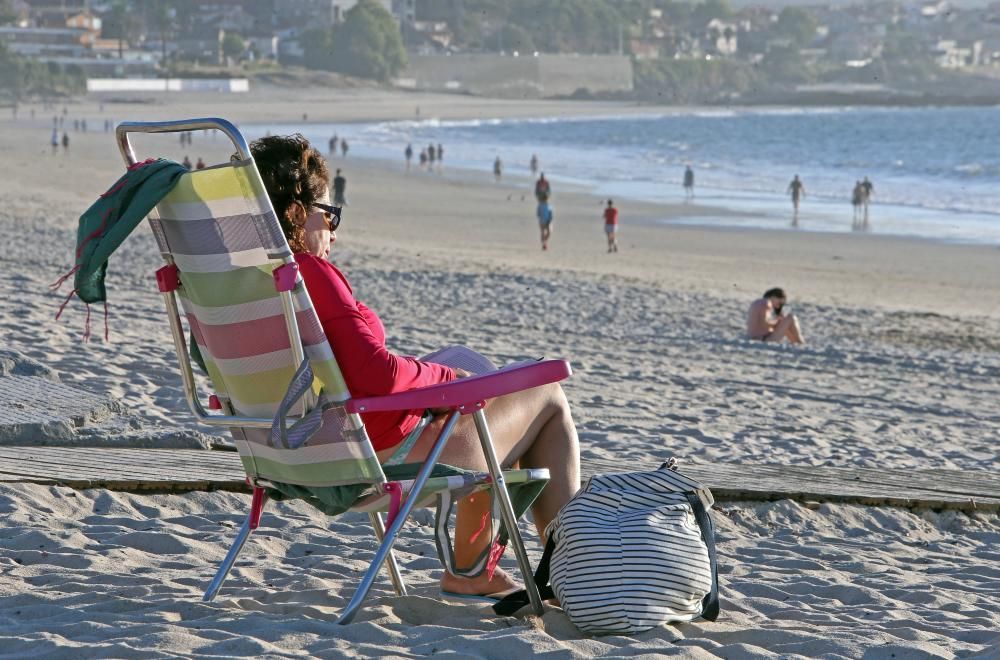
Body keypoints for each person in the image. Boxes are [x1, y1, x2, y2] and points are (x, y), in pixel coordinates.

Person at [249, 134, 581, 598]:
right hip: (377, 452)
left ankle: (473, 567)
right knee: (547, 395)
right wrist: (446, 382)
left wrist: (442, 375)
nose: (335, 232)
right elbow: (376, 375)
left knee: (464, 358)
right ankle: (572, 566)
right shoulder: (307, 275)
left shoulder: (245, 285)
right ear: (299, 214)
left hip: (293, 448)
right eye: (331, 215)